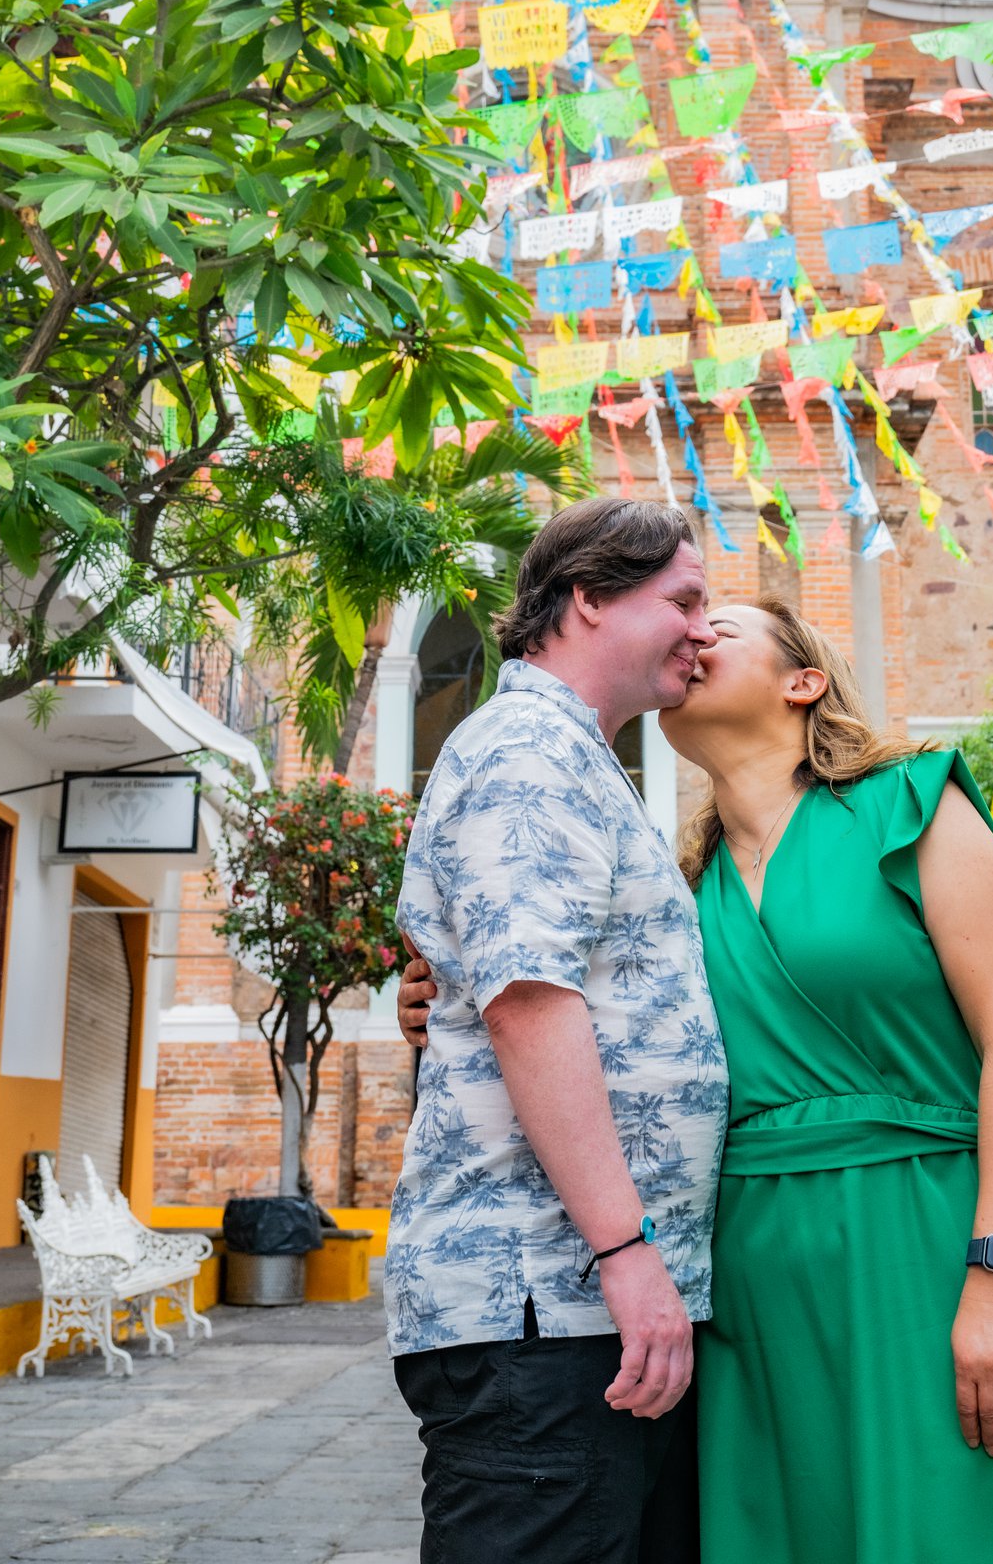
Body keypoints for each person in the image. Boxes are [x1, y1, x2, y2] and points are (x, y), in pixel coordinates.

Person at [402, 562, 993, 1563]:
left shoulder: (911, 806)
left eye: (715, 626)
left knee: (950, 1527)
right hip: (746, 1271)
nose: (691, 639)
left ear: (803, 681)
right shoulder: (685, 889)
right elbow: (587, 1021)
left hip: (924, 1238)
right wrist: (445, 1001)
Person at [385, 496, 726, 1564]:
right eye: (684, 601)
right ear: (588, 599)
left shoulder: (574, 754)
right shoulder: (529, 747)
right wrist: (626, 1254)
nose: (704, 629)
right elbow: (530, 1002)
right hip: (547, 1306)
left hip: (586, 1314)